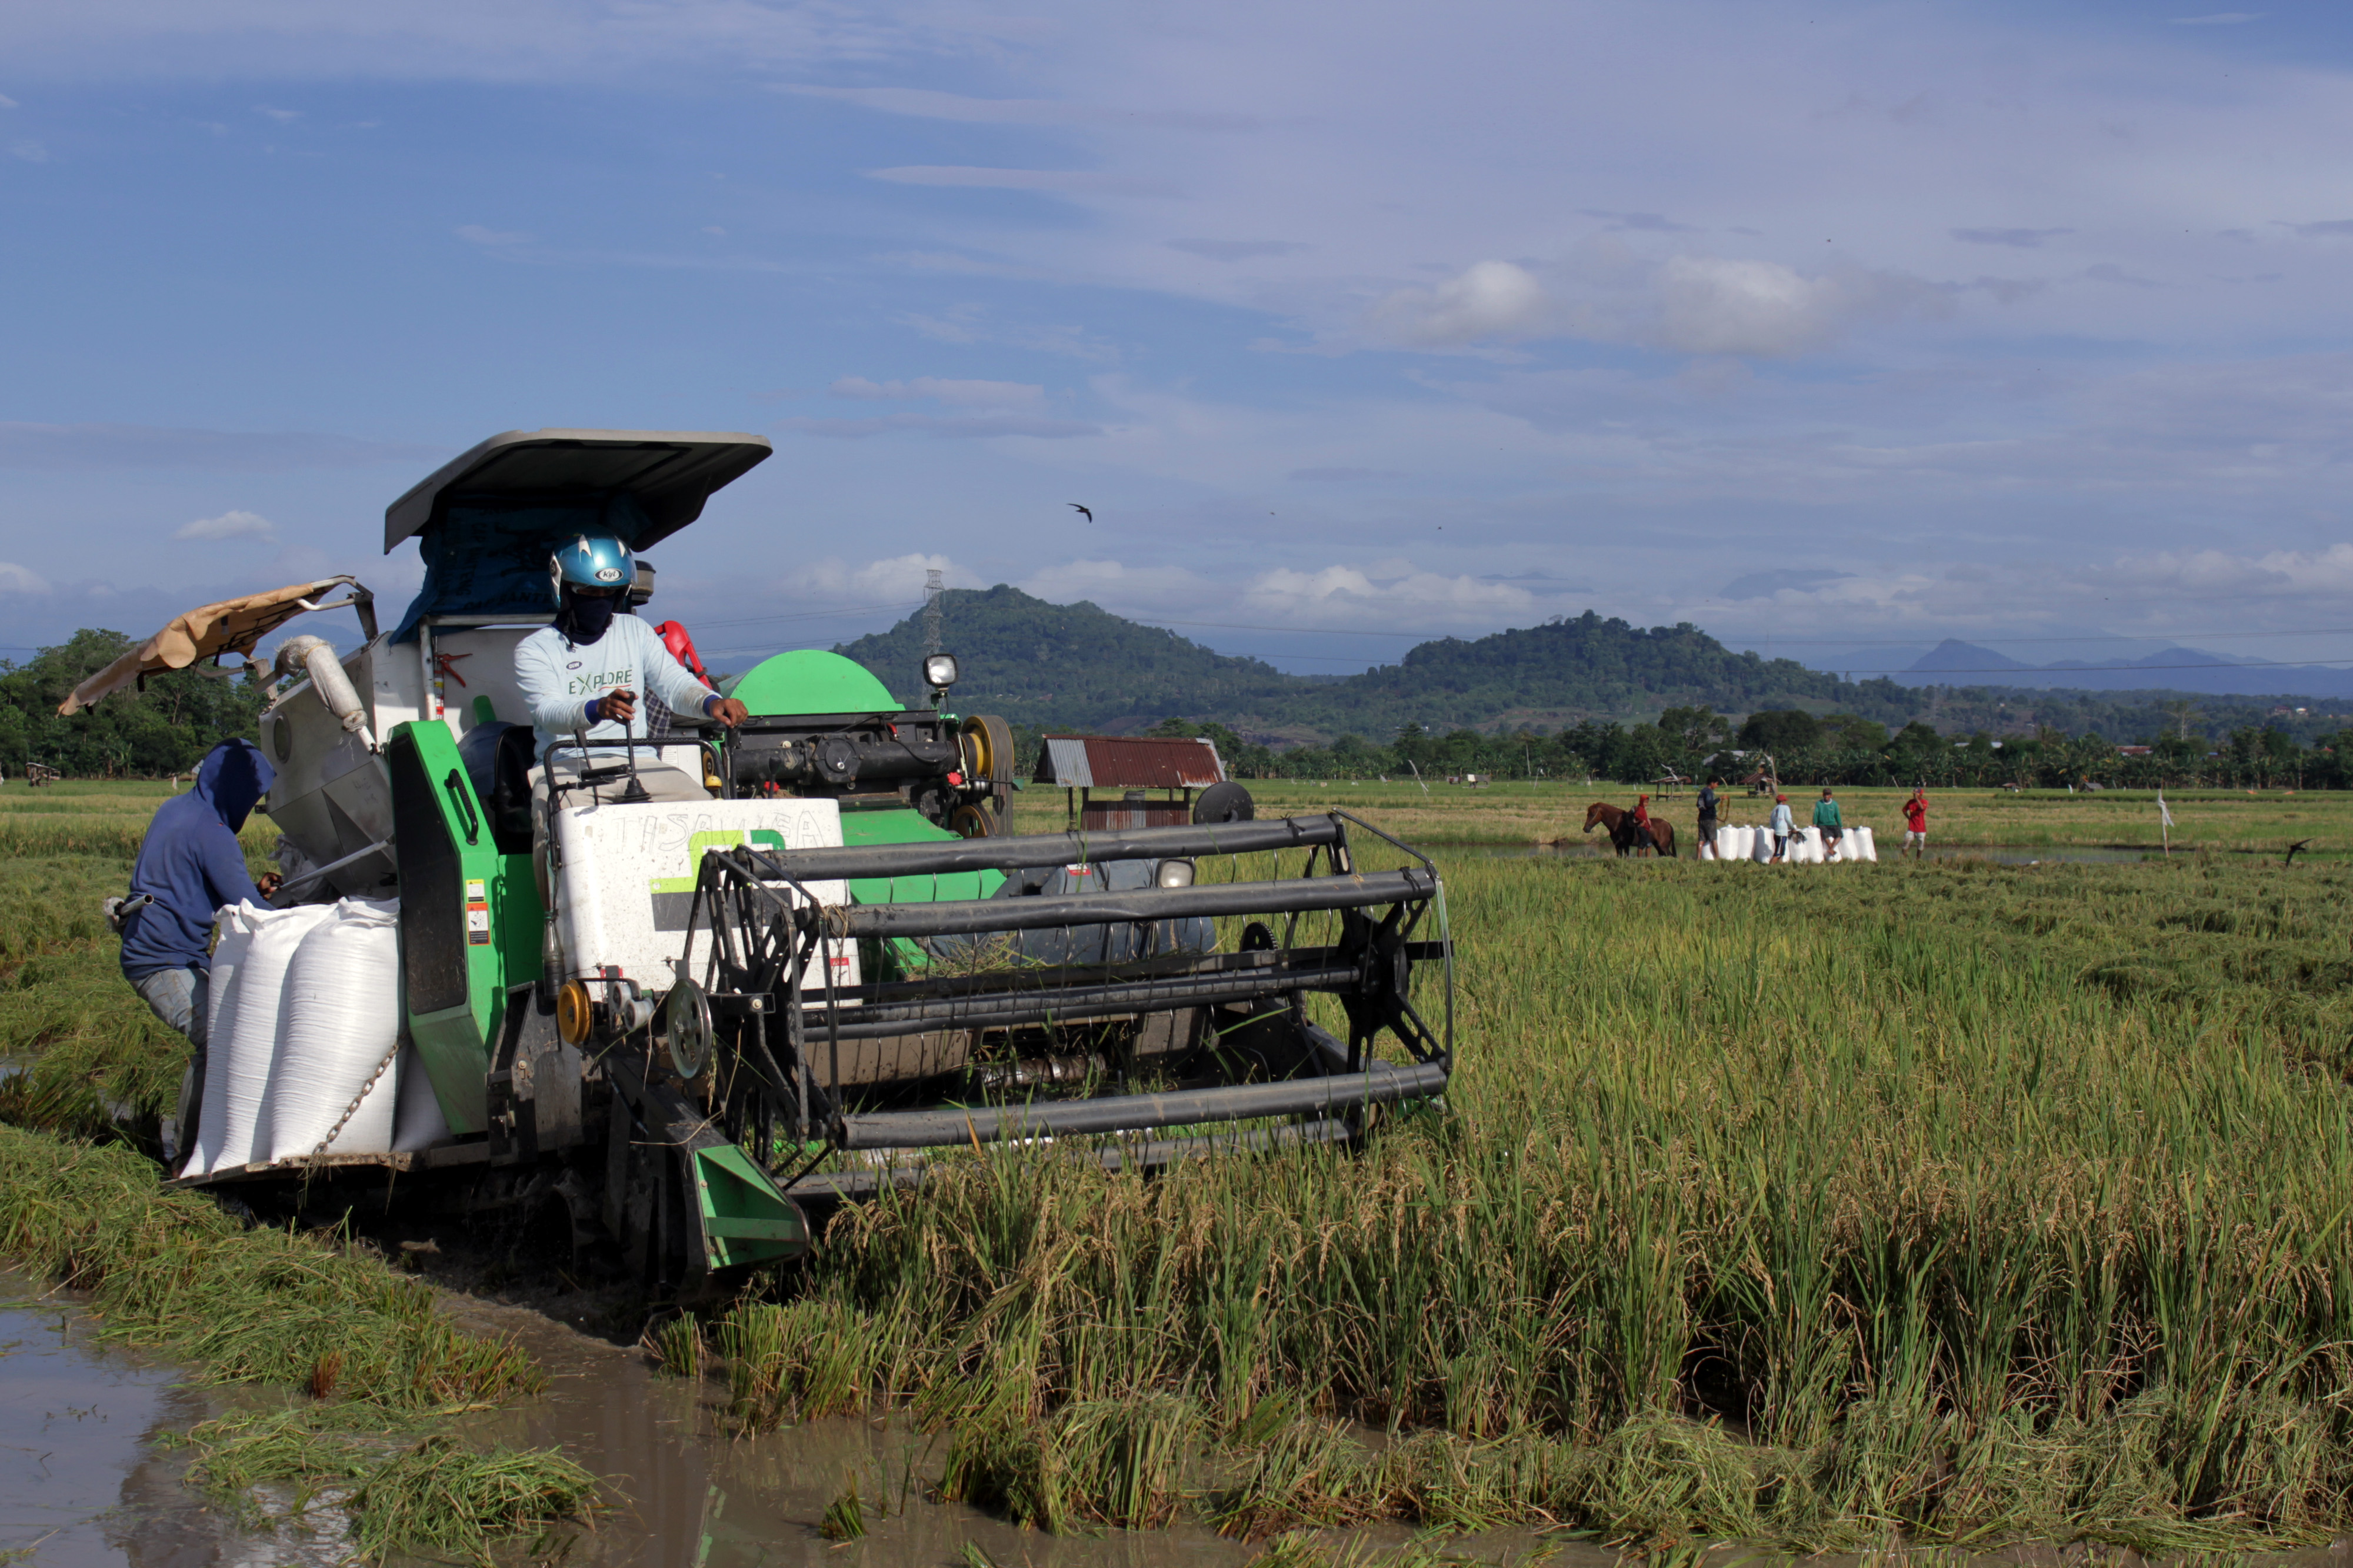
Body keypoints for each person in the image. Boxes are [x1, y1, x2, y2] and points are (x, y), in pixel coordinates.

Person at [115, 739, 281, 1157]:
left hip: (159, 947)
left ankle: (207, 1142)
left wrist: (252, 891)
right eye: (252, 798)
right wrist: (297, 915)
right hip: (160, 960)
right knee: (217, 1039)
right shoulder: (213, 832)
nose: (251, 807)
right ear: (237, 791)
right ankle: (186, 1155)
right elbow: (250, 908)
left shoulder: (175, 809)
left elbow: (192, 884)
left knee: (226, 1030)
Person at [515, 534, 749, 801]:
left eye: (610, 592)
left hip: (640, 762)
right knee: (565, 818)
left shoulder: (635, 631)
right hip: (566, 764)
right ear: (564, 590)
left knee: (703, 808)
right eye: (589, 591)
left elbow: (674, 684)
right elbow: (548, 713)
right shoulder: (535, 649)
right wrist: (597, 709)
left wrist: (712, 702)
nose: (600, 599)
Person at [1813, 788, 1844, 857]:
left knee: (1839, 835)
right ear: (1823, 795)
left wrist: (1840, 825)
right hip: (1822, 824)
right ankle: (1831, 849)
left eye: (1828, 795)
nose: (1826, 796)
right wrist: (1815, 824)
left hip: (1832, 824)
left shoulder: (1835, 804)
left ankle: (1831, 849)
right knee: (1825, 835)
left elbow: (1837, 815)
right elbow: (1816, 814)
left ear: (1831, 796)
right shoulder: (1819, 803)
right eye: (1825, 795)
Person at [1767, 792, 1795, 862]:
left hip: (1776, 833)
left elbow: (1772, 821)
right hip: (1782, 833)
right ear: (1782, 801)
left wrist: (1775, 829)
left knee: (1782, 852)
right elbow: (1788, 819)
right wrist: (1792, 828)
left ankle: (1779, 866)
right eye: (1785, 801)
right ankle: (1770, 867)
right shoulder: (1786, 808)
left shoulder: (1775, 809)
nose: (1785, 802)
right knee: (1778, 853)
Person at [1902, 788, 1928, 859]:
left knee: (1920, 844)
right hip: (1912, 827)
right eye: (1914, 794)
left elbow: (1922, 808)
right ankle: (1904, 859)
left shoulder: (1924, 802)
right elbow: (1904, 810)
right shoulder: (1910, 802)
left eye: (1916, 794)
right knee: (1906, 841)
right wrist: (1909, 818)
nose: (1914, 795)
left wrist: (1917, 799)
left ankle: (1918, 859)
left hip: (1921, 828)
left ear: (1921, 795)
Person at [1697, 778, 1721, 852]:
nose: (1717, 786)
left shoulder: (1702, 791)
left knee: (1701, 840)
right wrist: (1720, 799)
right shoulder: (1709, 792)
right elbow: (1709, 804)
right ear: (1712, 783)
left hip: (1702, 818)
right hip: (1709, 819)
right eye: (1717, 784)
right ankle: (1717, 857)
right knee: (1713, 839)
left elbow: (1698, 804)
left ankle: (1698, 857)